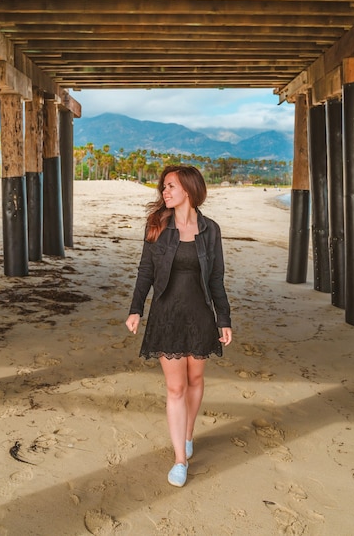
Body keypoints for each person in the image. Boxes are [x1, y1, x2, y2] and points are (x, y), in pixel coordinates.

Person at [126, 165, 232, 488]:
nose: (164, 192)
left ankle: (187, 434)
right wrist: (136, 310)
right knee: (176, 388)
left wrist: (224, 318)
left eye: (170, 186)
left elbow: (216, 279)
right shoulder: (157, 225)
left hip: (200, 314)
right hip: (167, 315)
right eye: (163, 187)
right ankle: (180, 460)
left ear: (188, 189)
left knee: (195, 379)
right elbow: (145, 270)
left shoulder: (210, 230)